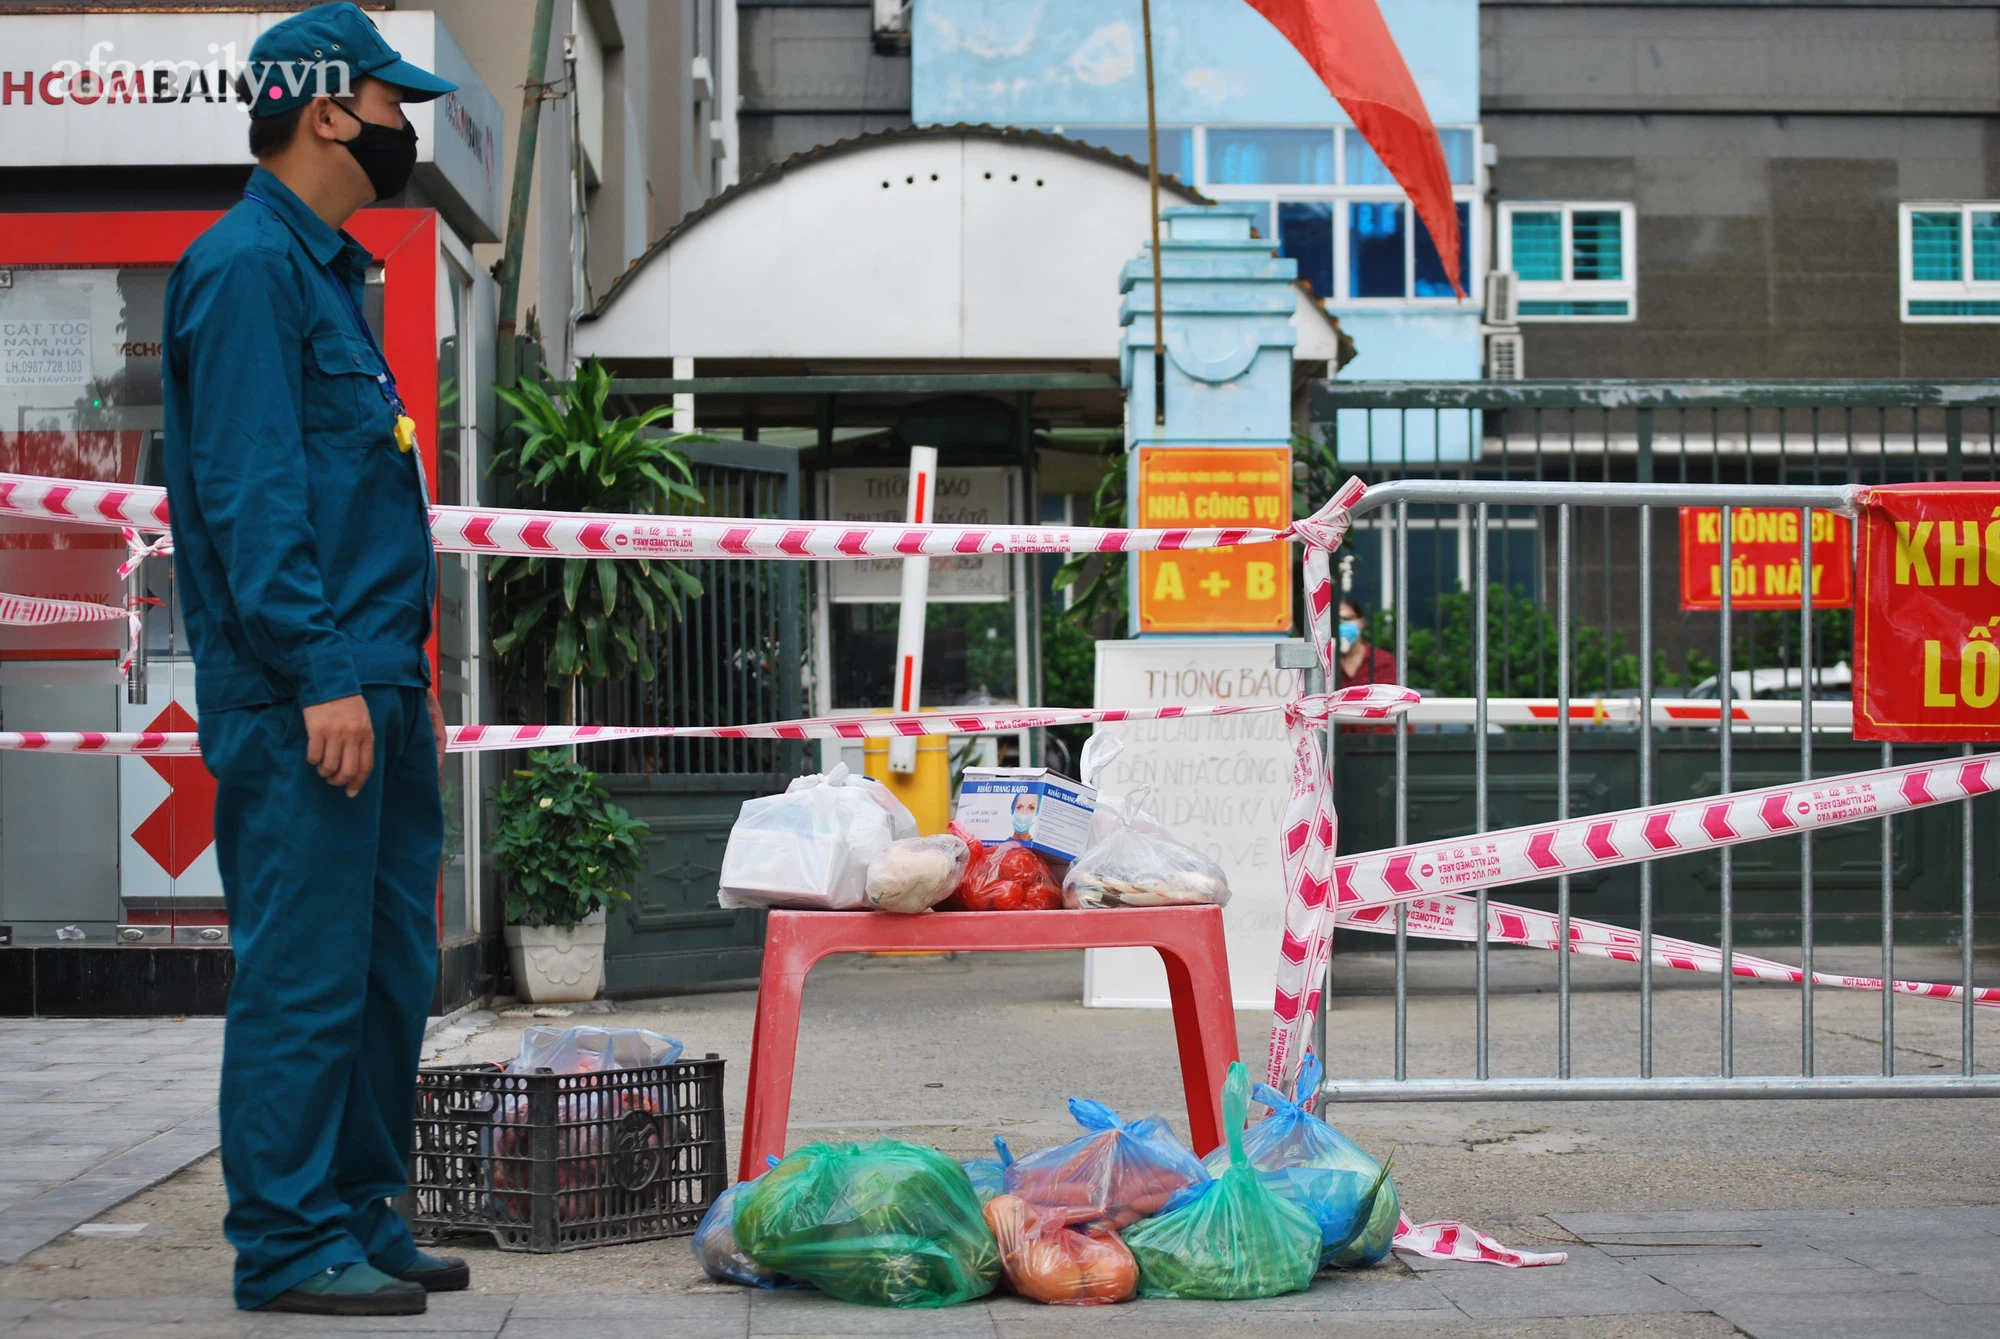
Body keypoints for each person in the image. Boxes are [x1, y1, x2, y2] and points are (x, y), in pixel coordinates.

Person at [161, 4, 462, 1317]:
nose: (408, 124)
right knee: (306, 968)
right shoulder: (244, 268)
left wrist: (384, 673)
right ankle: (285, 1241)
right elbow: (249, 491)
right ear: (329, 108)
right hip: (310, 693)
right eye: (395, 102)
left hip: (380, 679)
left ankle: (358, 1205)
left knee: (391, 964)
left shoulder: (331, 272)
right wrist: (320, 668)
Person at [1335, 597, 1399, 688]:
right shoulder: (1325, 663)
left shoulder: (1382, 661)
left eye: (1347, 619)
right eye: (1336, 621)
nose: (1341, 626)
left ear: (1361, 623)